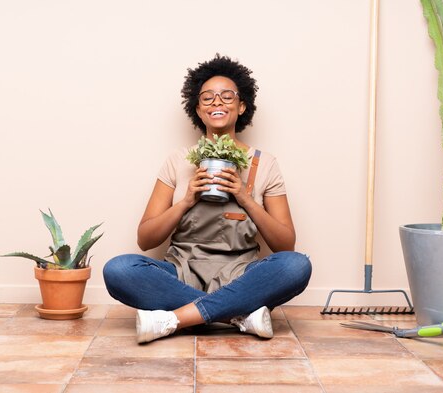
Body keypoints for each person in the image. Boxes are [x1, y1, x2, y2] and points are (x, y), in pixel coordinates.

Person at [103, 54, 312, 344]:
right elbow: (146, 238)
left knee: (296, 265)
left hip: (242, 275)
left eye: (227, 96)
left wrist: (245, 197)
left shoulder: (265, 164)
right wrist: (187, 200)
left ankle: (177, 318)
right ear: (198, 111)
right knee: (119, 270)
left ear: (241, 106)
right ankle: (238, 315)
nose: (217, 102)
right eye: (207, 98)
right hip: (181, 272)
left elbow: (285, 244)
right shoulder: (177, 161)